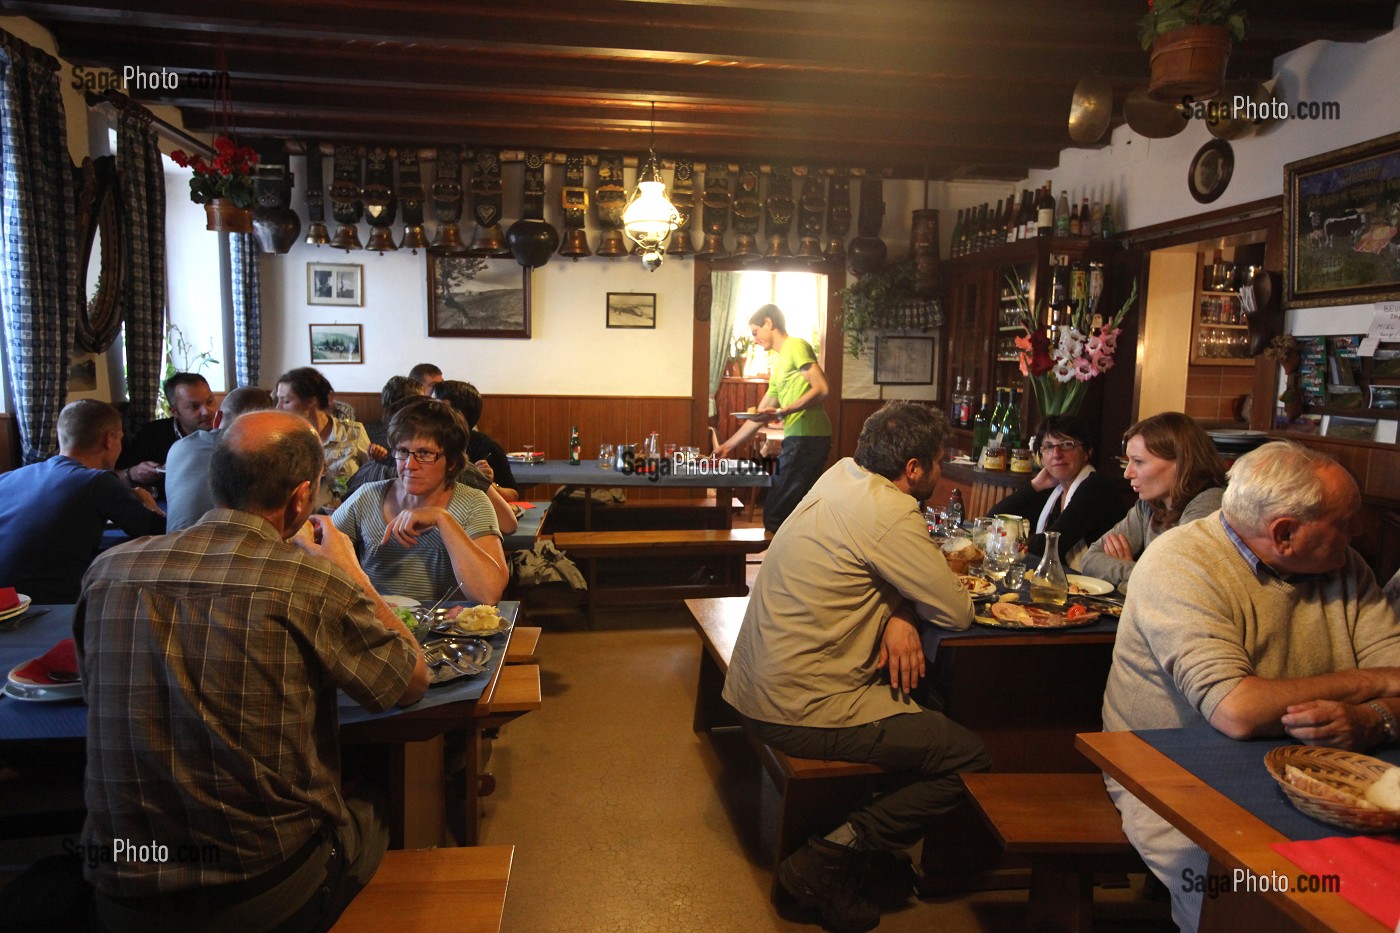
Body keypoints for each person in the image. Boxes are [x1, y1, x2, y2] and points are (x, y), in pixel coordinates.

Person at [74, 410, 428, 933]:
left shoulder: (107, 573)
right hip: (263, 889)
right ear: (301, 497)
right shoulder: (309, 582)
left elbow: (90, 687)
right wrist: (350, 570)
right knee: (376, 798)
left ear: (217, 481)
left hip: (118, 885)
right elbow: (408, 680)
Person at [1101, 440, 1400, 933]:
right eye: (1346, 524)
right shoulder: (1180, 563)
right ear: (1285, 534)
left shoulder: (1344, 566)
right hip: (1174, 777)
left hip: (1325, 779)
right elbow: (1235, 710)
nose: (1359, 533)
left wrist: (1373, 718)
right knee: (1248, 902)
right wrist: (1368, 681)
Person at [723, 401, 989, 932]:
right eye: (937, 462)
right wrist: (906, 605)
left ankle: (867, 854)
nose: (940, 473)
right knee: (968, 756)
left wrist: (897, 609)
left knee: (914, 705)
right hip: (798, 705)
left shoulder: (839, 474)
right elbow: (957, 612)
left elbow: (872, 568)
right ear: (912, 469)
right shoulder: (891, 512)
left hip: (751, 685)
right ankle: (832, 854)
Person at [332, 400, 508, 604]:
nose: (410, 465)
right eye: (403, 451)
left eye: (425, 454)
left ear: (451, 462)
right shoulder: (367, 497)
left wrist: (442, 518)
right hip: (376, 626)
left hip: (445, 632)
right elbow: (320, 552)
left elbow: (489, 594)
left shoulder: (472, 503)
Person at [0, 400, 165, 603]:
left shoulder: (8, 478)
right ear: (110, 439)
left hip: (6, 606)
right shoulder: (97, 482)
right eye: (121, 438)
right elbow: (159, 534)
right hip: (46, 608)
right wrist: (151, 506)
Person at [713, 304, 832, 534]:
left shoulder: (796, 346)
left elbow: (823, 388)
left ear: (769, 323)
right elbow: (759, 416)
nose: (755, 339)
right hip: (799, 439)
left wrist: (783, 411)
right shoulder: (779, 366)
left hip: (808, 438)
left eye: (755, 332)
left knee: (775, 514)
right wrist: (727, 446)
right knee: (791, 511)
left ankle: (780, 566)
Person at [1079, 411, 1227, 586]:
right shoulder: (1149, 505)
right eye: (1129, 462)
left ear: (1181, 462)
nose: (1127, 474)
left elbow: (1175, 583)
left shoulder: (1209, 504)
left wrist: (1134, 571)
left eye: (1139, 462)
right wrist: (1138, 571)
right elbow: (1090, 560)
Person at [988, 414, 1127, 566]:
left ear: (1087, 452)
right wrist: (1035, 486)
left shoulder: (1095, 487)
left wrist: (1004, 539)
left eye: (1067, 445)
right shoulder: (1054, 491)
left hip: (1099, 584)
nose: (1056, 454)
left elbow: (1051, 544)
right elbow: (993, 519)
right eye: (1048, 447)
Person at [163, 386, 275, 532]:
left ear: (218, 418)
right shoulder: (262, 456)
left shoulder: (177, 447)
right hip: (227, 549)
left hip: (171, 546)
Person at [275, 366, 387, 508]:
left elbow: (370, 479)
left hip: (348, 511)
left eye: (286, 401)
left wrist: (375, 459)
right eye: (278, 400)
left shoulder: (352, 432)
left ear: (311, 401)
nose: (278, 408)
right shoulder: (284, 439)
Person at [116, 372, 218, 493]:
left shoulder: (230, 431)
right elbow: (114, 475)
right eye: (194, 407)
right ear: (174, 411)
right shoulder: (153, 434)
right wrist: (132, 473)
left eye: (209, 402)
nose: (206, 411)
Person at [429, 379, 518, 500]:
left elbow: (513, 495)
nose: (430, 410)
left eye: (437, 405)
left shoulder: (486, 447)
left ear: (459, 414)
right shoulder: (425, 442)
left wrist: (489, 485)